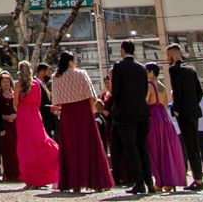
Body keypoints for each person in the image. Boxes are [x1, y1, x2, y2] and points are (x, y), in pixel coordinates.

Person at [51, 50, 116, 193]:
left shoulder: (56, 77)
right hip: (83, 112)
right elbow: (92, 95)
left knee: (71, 148)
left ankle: (74, 184)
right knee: (90, 145)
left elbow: (56, 102)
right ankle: (98, 183)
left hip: (67, 114)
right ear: (70, 61)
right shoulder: (81, 73)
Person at [110, 41, 154, 195]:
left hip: (125, 113)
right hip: (142, 112)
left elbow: (116, 91)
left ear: (122, 50)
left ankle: (139, 182)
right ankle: (150, 183)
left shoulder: (119, 66)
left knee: (131, 148)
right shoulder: (141, 67)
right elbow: (144, 90)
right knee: (143, 147)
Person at [166, 44, 203, 192]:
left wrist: (176, 108)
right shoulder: (191, 69)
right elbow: (199, 92)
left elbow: (177, 91)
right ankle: (199, 178)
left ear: (172, 54)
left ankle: (198, 180)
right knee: (194, 145)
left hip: (183, 112)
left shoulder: (174, 70)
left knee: (189, 146)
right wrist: (192, 104)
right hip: (194, 111)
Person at [13, 65, 61, 189]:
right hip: (35, 116)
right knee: (39, 144)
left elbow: (15, 105)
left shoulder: (18, 84)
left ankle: (30, 179)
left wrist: (23, 110)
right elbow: (39, 103)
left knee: (26, 148)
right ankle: (40, 177)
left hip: (23, 117)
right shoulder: (36, 85)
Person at [146, 62, 188, 192]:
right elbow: (164, 104)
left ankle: (159, 182)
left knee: (154, 150)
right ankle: (169, 181)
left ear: (151, 73)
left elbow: (145, 102)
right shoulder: (163, 86)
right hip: (164, 118)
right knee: (166, 150)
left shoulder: (149, 85)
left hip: (153, 117)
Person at [0, 72, 24, 183]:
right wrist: (5, 117)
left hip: (15, 124)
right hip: (5, 125)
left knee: (17, 149)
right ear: (0, 83)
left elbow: (21, 107)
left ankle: (19, 174)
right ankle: (8, 174)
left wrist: (15, 115)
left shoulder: (15, 94)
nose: (6, 83)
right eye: (4, 81)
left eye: (8, 81)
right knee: (7, 150)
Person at [36, 64, 60, 137]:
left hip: (48, 121)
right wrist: (50, 108)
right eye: (49, 73)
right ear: (42, 73)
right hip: (41, 122)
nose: (50, 76)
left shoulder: (43, 84)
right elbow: (36, 104)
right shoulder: (34, 84)